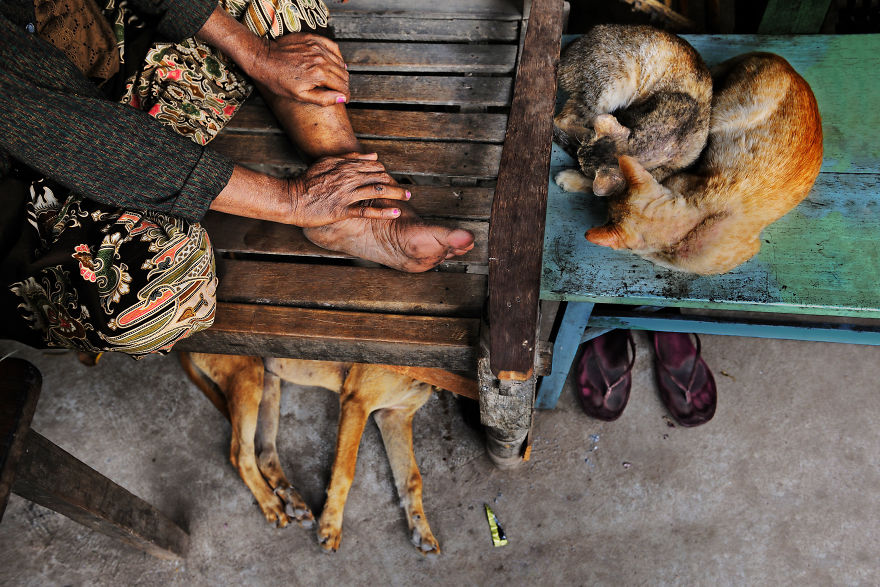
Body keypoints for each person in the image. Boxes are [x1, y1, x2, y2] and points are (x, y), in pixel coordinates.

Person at [0, 0, 475, 356]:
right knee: (149, 299)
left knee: (267, 7)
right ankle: (330, 202)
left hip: (96, 69)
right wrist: (288, 199)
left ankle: (357, 205)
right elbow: (61, 131)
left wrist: (256, 54)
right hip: (30, 199)